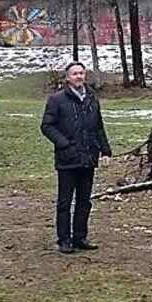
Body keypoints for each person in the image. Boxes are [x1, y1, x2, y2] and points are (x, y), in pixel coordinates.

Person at [40, 61, 112, 254]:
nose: (78, 77)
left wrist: (105, 150)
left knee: (84, 200)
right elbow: (47, 126)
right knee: (65, 201)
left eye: (81, 73)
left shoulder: (91, 98)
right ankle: (64, 239)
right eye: (74, 74)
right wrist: (64, 144)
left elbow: (98, 126)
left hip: (88, 157)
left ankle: (80, 237)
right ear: (67, 77)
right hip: (67, 159)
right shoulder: (57, 100)